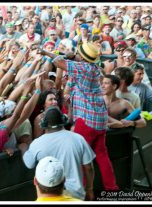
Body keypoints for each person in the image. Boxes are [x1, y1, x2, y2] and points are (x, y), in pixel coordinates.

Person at [39, 42, 119, 192]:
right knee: (101, 155)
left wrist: (54, 54)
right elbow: (76, 60)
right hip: (100, 119)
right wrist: (70, 56)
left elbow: (58, 62)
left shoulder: (82, 67)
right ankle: (112, 189)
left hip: (86, 120)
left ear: (81, 57)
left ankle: (79, 191)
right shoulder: (94, 68)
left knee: (78, 158)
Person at [21, 107, 96, 200]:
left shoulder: (37, 143)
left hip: (50, 197)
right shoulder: (78, 138)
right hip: (77, 195)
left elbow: (29, 164)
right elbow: (89, 168)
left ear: (43, 124)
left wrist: (23, 148)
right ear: (63, 120)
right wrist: (89, 189)